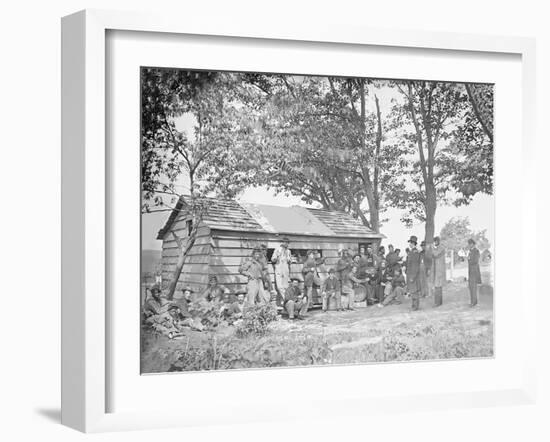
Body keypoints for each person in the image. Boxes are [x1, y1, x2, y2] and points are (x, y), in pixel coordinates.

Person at [272, 237, 292, 303]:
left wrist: (289, 260)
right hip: (279, 269)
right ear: (282, 242)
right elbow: (273, 259)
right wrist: (276, 257)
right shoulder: (277, 250)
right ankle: (286, 299)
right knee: (279, 286)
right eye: (285, 242)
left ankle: (284, 302)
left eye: (287, 243)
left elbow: (290, 261)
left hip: (286, 270)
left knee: (286, 286)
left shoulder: (288, 251)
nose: (286, 244)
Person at [405, 236, 422, 311]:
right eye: (409, 242)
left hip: (413, 275)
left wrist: (413, 277)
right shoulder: (412, 252)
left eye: (411, 242)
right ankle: (413, 305)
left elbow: (415, 266)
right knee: (412, 291)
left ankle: (415, 306)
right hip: (410, 274)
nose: (410, 244)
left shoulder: (414, 252)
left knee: (414, 291)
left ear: (413, 243)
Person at [431, 236, 446, 306]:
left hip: (439, 270)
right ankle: (439, 302)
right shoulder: (438, 248)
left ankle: (437, 302)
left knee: (438, 286)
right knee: (438, 287)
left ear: (438, 241)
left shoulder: (441, 248)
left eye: (435, 241)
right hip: (437, 270)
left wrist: (432, 248)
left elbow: (435, 254)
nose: (434, 243)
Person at [467, 238, 481, 307]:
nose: (469, 245)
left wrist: (469, 260)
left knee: (473, 287)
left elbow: (475, 261)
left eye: (470, 244)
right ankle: (473, 301)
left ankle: (474, 302)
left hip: (474, 271)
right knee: (471, 287)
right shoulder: (470, 251)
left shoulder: (476, 251)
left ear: (473, 244)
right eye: (469, 244)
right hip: (470, 271)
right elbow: (469, 260)